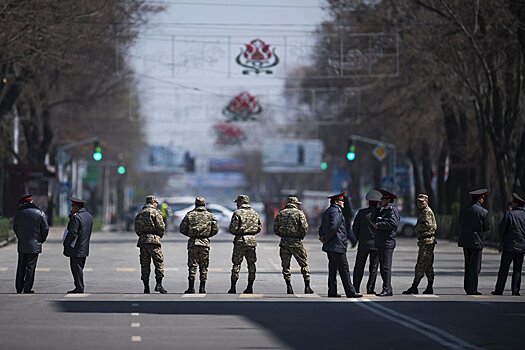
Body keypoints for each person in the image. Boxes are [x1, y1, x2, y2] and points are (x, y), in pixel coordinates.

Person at [318, 192, 361, 298]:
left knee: (333, 269)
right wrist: (326, 238)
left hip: (330, 245)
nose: (343, 203)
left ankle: (332, 291)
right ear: (337, 202)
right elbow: (334, 227)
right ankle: (350, 292)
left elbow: (321, 227)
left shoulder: (328, 211)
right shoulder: (336, 211)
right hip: (337, 244)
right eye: (342, 201)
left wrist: (323, 237)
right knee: (344, 269)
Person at [273, 196, 314, 294]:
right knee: (303, 264)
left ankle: (289, 286)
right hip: (296, 242)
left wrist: (282, 235)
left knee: (286, 266)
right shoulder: (299, 213)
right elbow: (304, 227)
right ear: (295, 204)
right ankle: (307, 286)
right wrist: (300, 236)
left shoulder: (281, 213)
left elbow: (275, 228)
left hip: (284, 242)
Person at [180, 196, 219, 294]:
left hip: (193, 242)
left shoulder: (190, 215)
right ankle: (202, 288)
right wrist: (207, 235)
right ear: (204, 204)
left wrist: (191, 234)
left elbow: (182, 228)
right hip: (204, 243)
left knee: (192, 266)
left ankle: (191, 288)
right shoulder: (210, 215)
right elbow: (215, 229)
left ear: (196, 204)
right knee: (204, 267)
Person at [13, 194, 49, 294]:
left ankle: (19, 287)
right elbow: (45, 228)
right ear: (31, 202)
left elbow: (15, 227)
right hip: (34, 244)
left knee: (21, 265)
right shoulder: (40, 213)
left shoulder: (19, 213)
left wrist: (20, 237)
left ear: (23, 203)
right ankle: (27, 288)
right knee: (30, 266)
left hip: (22, 244)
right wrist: (40, 239)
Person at [402, 194, 438, 295]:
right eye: (418, 201)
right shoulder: (423, 211)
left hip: (427, 241)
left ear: (427, 201)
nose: (420, 203)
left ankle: (415, 286)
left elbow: (430, 226)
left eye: (422, 201)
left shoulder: (426, 212)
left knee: (420, 265)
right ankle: (429, 286)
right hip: (425, 241)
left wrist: (417, 228)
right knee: (427, 265)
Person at [491, 193, 525, 296]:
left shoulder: (509, 214)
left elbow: (502, 229)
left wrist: (503, 240)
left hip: (509, 246)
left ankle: (499, 290)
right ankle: (515, 291)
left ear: (515, 204)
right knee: (517, 269)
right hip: (521, 247)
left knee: (504, 269)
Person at [458, 188, 490, 295]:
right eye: (482, 198)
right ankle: (473, 289)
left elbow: (460, 222)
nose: (483, 200)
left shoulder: (464, 209)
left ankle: (467, 287)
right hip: (477, 242)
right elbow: (487, 227)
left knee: (467, 265)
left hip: (465, 241)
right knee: (475, 267)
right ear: (479, 199)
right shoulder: (483, 212)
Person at [228, 194, 262, 294]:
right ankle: (250, 287)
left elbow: (233, 228)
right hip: (252, 240)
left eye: (237, 202)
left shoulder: (237, 213)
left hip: (240, 240)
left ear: (241, 202)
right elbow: (259, 227)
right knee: (251, 264)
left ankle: (233, 287)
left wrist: (238, 232)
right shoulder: (254, 213)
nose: (236, 204)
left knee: (236, 264)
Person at [135, 195, 167, 294]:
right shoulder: (156, 212)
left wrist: (143, 235)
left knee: (145, 264)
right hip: (154, 241)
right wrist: (159, 236)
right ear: (153, 202)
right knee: (158, 263)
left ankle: (146, 287)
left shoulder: (140, 213)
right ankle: (159, 284)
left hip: (143, 241)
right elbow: (161, 227)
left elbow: (137, 229)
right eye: (156, 202)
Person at [352, 190, 381, 294]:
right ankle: (370, 288)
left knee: (359, 266)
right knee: (373, 268)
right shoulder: (380, 214)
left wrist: (358, 238)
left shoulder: (361, 213)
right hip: (377, 244)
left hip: (363, 244)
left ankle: (355, 287)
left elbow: (355, 228)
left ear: (368, 202)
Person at [373, 189, 400, 297]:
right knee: (383, 267)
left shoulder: (392, 211)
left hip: (387, 242)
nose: (381, 201)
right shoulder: (383, 210)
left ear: (388, 199)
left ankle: (387, 289)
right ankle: (387, 288)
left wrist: (380, 225)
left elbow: (393, 224)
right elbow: (373, 219)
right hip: (381, 242)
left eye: (383, 199)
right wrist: (377, 208)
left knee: (386, 267)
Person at [63, 197, 93, 294]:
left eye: (72, 206)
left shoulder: (76, 217)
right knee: (79, 268)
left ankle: (79, 287)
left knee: (76, 269)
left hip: (76, 248)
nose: (71, 208)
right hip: (84, 248)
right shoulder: (89, 216)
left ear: (76, 207)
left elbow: (73, 233)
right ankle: (79, 286)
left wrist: (66, 243)